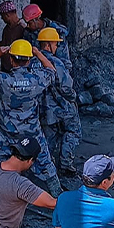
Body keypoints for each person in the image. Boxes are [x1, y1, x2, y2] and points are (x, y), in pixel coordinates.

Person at [0, 40, 62, 195]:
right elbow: (51, 70)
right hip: (31, 133)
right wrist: (38, 53)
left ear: (11, 60)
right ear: (29, 60)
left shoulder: (3, 79)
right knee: (45, 163)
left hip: (5, 133)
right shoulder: (36, 80)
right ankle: (58, 197)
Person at [37, 27, 81, 177]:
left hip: (42, 109)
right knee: (73, 132)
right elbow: (66, 87)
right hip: (61, 106)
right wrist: (72, 98)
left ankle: (47, 167)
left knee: (48, 136)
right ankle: (66, 165)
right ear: (48, 44)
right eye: (55, 44)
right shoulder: (55, 62)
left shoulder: (31, 62)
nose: (56, 47)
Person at [23, 3, 72, 69]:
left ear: (36, 20)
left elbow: (64, 63)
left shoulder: (56, 32)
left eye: (29, 23)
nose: (27, 26)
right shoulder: (28, 33)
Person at [0, 1, 27, 72]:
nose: (2, 19)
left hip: (17, 68)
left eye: (2, 16)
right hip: (6, 67)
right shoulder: (7, 29)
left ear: (7, 15)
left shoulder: (23, 28)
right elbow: (4, 44)